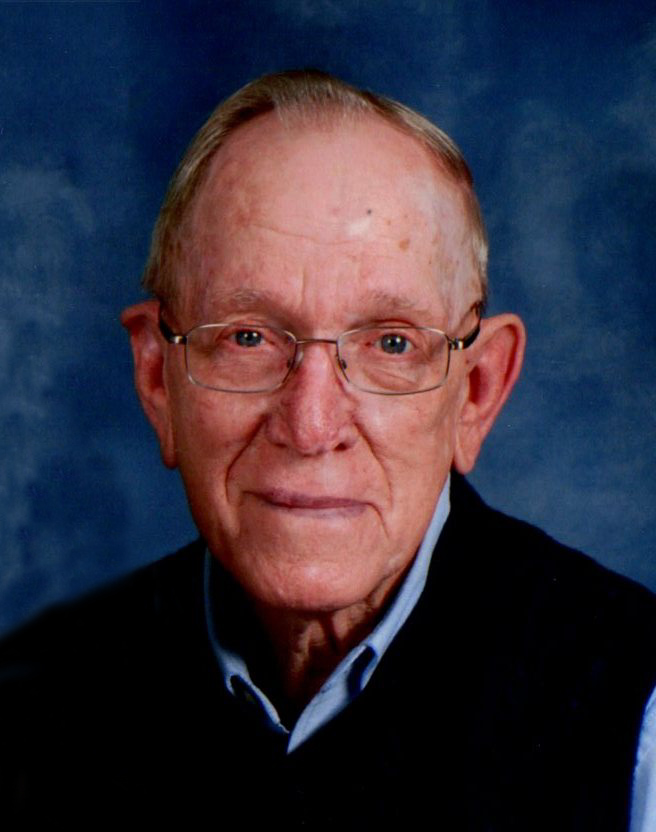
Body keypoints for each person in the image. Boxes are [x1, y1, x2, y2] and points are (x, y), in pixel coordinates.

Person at [2, 69, 655, 829]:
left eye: (391, 343)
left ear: (476, 393)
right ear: (157, 378)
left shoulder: (637, 714)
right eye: (248, 338)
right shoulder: (30, 706)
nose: (311, 426)